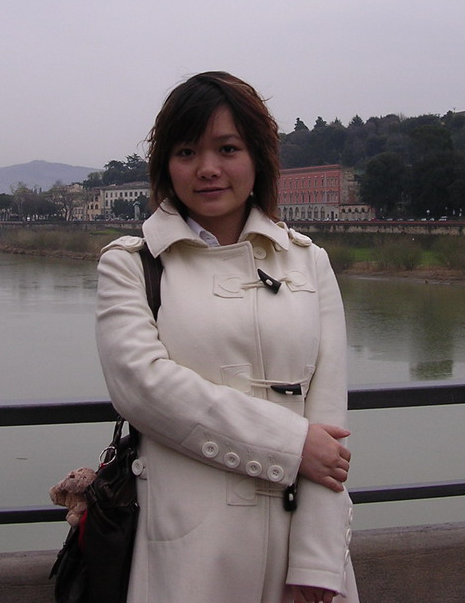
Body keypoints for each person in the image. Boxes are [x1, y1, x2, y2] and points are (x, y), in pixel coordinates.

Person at [96, 71, 358, 603]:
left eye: (228, 148)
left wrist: (318, 563)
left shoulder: (309, 262)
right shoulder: (130, 265)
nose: (208, 169)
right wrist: (290, 445)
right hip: (189, 555)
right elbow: (142, 388)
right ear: (166, 166)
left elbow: (331, 427)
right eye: (187, 151)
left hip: (298, 556)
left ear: (258, 157)